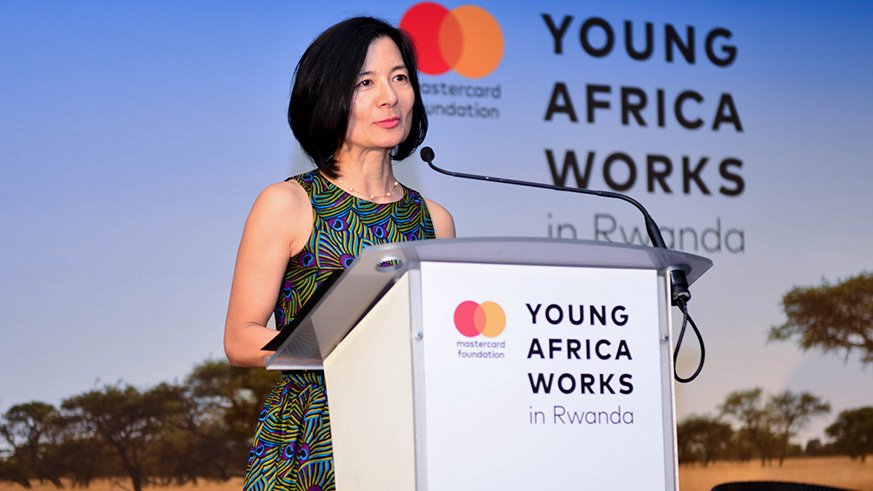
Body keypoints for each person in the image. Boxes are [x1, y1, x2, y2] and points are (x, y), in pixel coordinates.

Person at [223, 16, 455, 491]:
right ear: (328, 97)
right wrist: (335, 348)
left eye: (399, 77)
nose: (389, 96)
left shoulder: (436, 220)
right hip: (312, 438)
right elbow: (240, 339)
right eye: (365, 83)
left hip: (405, 437)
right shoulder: (288, 204)